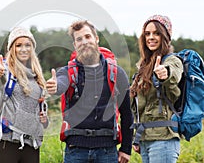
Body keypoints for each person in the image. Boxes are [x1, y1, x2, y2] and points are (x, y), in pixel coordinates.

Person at [46, 20, 133, 163]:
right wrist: (55, 87)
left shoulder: (117, 73)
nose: (84, 42)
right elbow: (61, 83)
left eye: (87, 36)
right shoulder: (67, 72)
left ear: (96, 39)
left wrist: (126, 148)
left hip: (107, 150)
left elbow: (127, 113)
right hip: (75, 150)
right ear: (75, 45)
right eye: (79, 39)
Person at [130, 15, 183, 163]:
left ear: (165, 36)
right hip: (145, 139)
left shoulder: (172, 61)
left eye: (157, 33)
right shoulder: (143, 66)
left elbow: (173, 75)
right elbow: (140, 106)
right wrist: (137, 136)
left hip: (163, 140)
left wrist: (164, 73)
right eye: (147, 34)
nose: (151, 37)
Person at [0, 27, 48, 163]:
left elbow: (40, 110)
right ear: (12, 49)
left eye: (28, 45)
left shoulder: (37, 77)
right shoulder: (5, 71)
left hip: (32, 143)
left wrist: (45, 120)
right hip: (8, 141)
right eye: (18, 45)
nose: (24, 49)